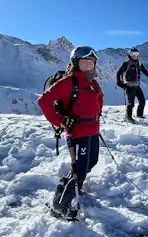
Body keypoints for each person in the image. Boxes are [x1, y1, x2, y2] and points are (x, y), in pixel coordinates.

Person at [38, 46, 104, 218]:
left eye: (92, 62)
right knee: (79, 170)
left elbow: (98, 100)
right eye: (85, 62)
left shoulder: (93, 81)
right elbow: (44, 100)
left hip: (92, 130)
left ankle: (75, 188)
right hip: (78, 133)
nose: (89, 65)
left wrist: (95, 119)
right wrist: (59, 122)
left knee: (91, 161)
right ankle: (60, 205)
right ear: (76, 62)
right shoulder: (68, 82)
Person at [116, 47, 148, 123]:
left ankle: (139, 115)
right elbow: (119, 73)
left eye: (136, 54)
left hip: (137, 86)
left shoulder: (139, 64)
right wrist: (119, 82)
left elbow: (146, 72)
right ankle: (128, 117)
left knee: (142, 101)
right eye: (133, 54)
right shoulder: (126, 64)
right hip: (129, 86)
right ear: (130, 54)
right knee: (131, 104)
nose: (135, 55)